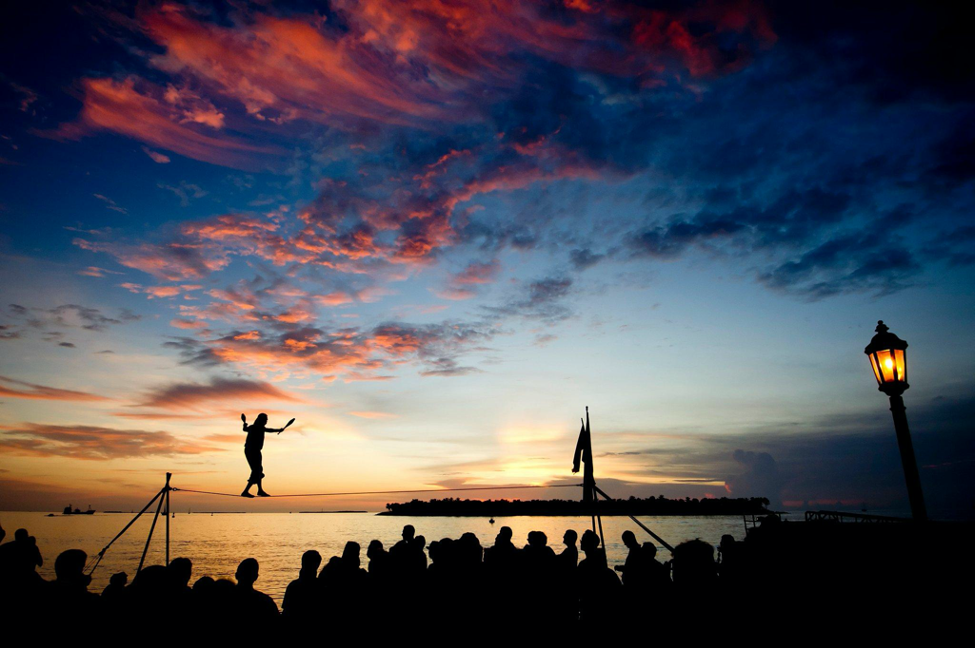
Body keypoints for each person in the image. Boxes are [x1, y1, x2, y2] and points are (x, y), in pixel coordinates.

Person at [240, 413, 286, 498]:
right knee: (256, 471)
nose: (266, 421)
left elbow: (244, 429)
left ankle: (259, 490)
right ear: (261, 420)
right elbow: (270, 430)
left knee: (258, 470)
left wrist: (244, 424)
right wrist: (278, 430)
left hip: (255, 451)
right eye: (265, 419)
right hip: (251, 451)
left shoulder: (253, 427)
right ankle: (246, 491)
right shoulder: (257, 427)